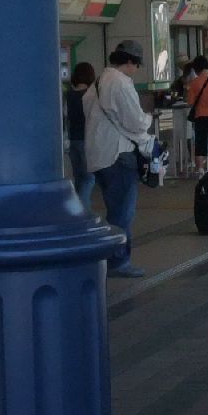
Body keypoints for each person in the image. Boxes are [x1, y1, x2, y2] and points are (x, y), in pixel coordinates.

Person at [84, 40, 155, 279]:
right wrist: (148, 118)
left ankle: (110, 258)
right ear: (130, 62)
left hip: (98, 155)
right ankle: (118, 261)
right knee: (122, 213)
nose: (136, 69)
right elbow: (135, 121)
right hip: (118, 155)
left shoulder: (97, 82)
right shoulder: (121, 82)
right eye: (137, 65)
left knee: (114, 208)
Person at [65, 61, 97, 197]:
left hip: (73, 140)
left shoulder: (69, 95)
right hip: (86, 140)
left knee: (79, 178)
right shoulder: (91, 96)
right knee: (89, 179)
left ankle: (78, 204)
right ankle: (81, 207)